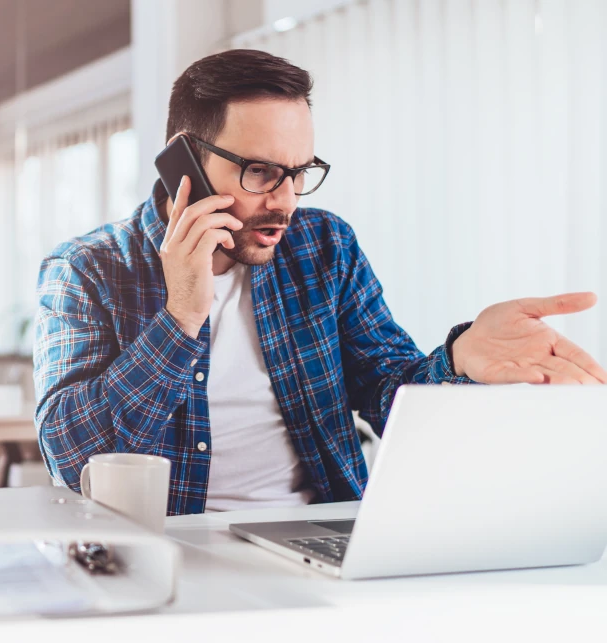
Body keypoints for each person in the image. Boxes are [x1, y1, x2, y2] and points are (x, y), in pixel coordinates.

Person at [32, 49, 607, 515]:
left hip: (319, 537)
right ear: (182, 163)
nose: (286, 201)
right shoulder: (86, 270)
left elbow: (386, 392)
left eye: (299, 172)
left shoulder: (324, 246)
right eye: (260, 171)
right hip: (166, 547)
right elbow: (73, 459)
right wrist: (181, 316)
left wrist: (459, 359)